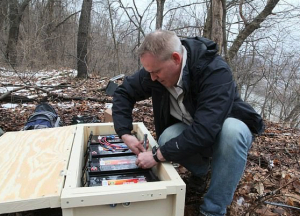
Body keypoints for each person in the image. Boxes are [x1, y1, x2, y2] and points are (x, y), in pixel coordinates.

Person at [112, 30, 264, 216]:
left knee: (232, 133)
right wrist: (125, 133)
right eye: (149, 72)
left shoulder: (214, 71)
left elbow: (205, 129)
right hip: (194, 130)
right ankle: (202, 172)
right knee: (167, 137)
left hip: (222, 131)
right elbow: (123, 93)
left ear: (176, 58)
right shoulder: (156, 71)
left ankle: (213, 210)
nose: (152, 78)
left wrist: (157, 156)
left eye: (156, 71)